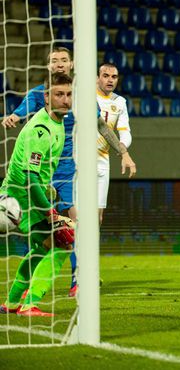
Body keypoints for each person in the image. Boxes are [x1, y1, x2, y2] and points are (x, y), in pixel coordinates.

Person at [1, 47, 137, 296]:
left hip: (66, 174)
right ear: (49, 65)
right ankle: (27, 288)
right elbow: (19, 114)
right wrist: (13, 117)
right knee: (44, 235)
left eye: (64, 60)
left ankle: (77, 280)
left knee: (76, 227)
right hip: (37, 172)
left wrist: (123, 152)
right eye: (54, 61)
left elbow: (101, 126)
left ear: (71, 64)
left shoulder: (81, 96)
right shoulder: (37, 94)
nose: (59, 64)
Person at [0, 73, 75, 316]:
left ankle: (12, 303)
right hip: (21, 198)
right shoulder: (41, 129)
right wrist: (49, 212)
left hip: (30, 196)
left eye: (69, 94)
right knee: (65, 241)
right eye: (59, 94)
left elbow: (39, 173)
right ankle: (29, 303)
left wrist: (48, 188)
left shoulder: (58, 122)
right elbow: (31, 178)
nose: (65, 100)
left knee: (46, 245)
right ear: (46, 97)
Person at [96, 62, 133, 224]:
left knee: (97, 217)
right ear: (98, 78)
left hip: (102, 161)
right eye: (105, 76)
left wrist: (123, 149)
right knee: (74, 214)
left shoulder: (120, 102)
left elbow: (125, 131)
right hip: (78, 160)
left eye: (114, 77)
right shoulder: (83, 96)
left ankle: (90, 250)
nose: (110, 80)